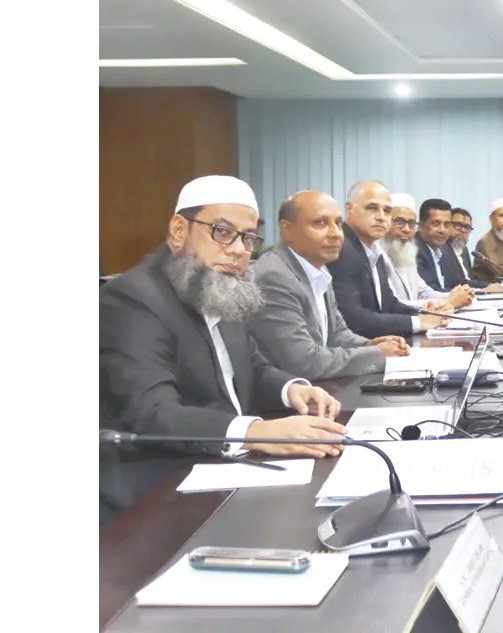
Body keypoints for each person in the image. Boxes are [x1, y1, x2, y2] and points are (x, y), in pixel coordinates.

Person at [100, 176, 344, 525]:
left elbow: (251, 367)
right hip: (153, 497)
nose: (239, 249)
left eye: (248, 237)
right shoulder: (132, 299)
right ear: (179, 230)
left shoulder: (217, 285)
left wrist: (292, 389)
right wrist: (256, 432)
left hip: (227, 471)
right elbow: (152, 413)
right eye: (223, 232)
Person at [249, 190, 410, 380]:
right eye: (320, 223)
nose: (336, 234)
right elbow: (305, 362)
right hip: (289, 394)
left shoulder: (319, 268)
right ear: (287, 230)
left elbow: (338, 334)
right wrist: (378, 355)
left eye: (338, 223)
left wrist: (370, 345)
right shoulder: (275, 276)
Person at [329, 180, 448, 338]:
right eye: (372, 208)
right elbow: (354, 319)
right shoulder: (341, 249)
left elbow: (389, 304)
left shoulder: (373, 251)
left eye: (387, 211)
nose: (381, 217)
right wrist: (419, 322)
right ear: (349, 209)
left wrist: (428, 314)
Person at [382, 194, 471, 308]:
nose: (406, 229)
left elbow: (423, 293)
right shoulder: (377, 256)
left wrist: (460, 296)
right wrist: (448, 301)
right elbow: (391, 305)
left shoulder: (406, 252)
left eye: (411, 223)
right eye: (399, 222)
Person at [414, 197, 493, 297]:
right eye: (435, 223)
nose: (442, 230)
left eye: (447, 224)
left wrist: (489, 287)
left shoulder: (445, 249)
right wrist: (478, 292)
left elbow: (459, 282)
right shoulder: (414, 251)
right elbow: (431, 291)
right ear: (421, 226)